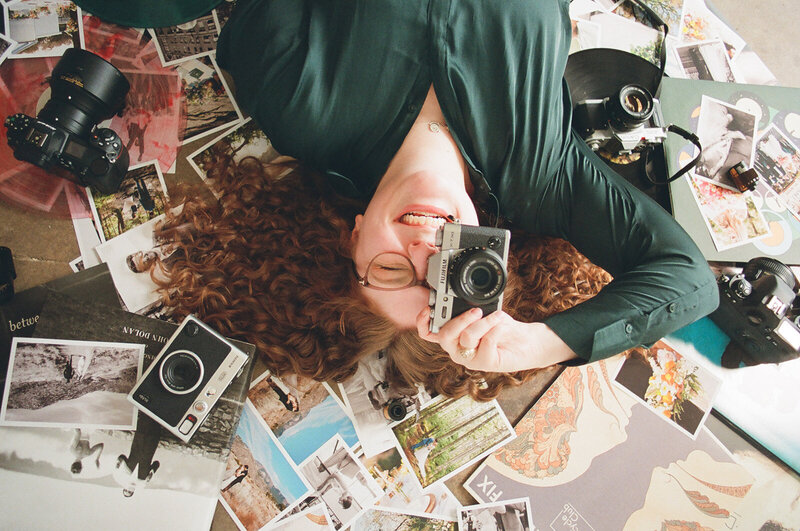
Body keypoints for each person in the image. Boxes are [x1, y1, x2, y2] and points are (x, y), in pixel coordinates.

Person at [153, 0, 718, 400]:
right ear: (490, 266)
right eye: (450, 274)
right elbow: (689, 279)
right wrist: (541, 345)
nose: (426, 250)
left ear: (352, 237)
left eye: (394, 269)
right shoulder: (541, 176)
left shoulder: (295, 104)